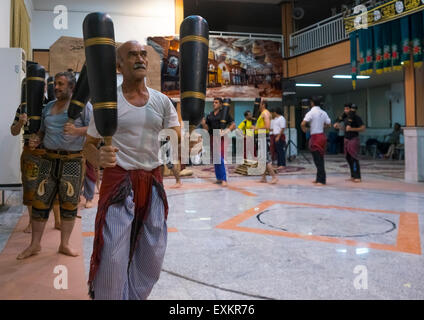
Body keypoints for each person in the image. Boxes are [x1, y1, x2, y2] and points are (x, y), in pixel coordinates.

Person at [83, 40, 180, 300]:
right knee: (113, 257)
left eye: (143, 54)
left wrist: (186, 143)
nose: (140, 58)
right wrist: (98, 156)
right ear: (119, 64)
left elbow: (174, 139)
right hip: (119, 184)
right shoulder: (107, 103)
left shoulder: (161, 102)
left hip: (153, 184)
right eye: (132, 54)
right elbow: (88, 147)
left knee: (152, 255)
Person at [17, 71, 92, 259]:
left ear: (72, 87)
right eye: (55, 84)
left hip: (72, 161)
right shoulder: (49, 106)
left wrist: (76, 131)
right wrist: (36, 138)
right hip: (48, 160)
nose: (56, 87)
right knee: (40, 201)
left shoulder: (83, 107)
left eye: (60, 84)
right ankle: (35, 245)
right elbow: (42, 131)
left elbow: (95, 130)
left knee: (68, 204)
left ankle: (64, 244)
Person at [201, 97, 236, 187]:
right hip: (213, 137)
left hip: (222, 137)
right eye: (213, 102)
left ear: (221, 104)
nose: (214, 104)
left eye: (216, 102)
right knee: (215, 158)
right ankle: (219, 178)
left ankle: (224, 179)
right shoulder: (210, 114)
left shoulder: (224, 114)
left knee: (220, 158)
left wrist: (226, 131)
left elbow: (233, 125)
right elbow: (207, 128)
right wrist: (204, 123)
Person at [301, 97, 331, 185]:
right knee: (320, 158)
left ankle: (321, 180)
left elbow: (303, 123)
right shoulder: (324, 112)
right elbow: (329, 124)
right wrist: (321, 126)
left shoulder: (311, 112)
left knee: (317, 159)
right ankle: (319, 178)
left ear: (312, 103)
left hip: (315, 137)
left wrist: (304, 129)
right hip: (322, 136)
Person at [253, 98, 278, 184]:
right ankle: (263, 178)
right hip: (260, 137)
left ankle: (274, 177)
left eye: (258, 104)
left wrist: (256, 128)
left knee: (265, 159)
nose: (257, 105)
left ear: (263, 104)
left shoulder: (265, 113)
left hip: (263, 137)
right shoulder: (263, 113)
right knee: (262, 159)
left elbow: (267, 126)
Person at [341, 104, 365, 182]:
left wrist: (352, 129)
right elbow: (346, 129)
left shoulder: (356, 117)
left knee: (354, 158)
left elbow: (362, 128)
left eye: (347, 109)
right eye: (345, 109)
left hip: (353, 139)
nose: (345, 110)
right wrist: (339, 127)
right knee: (348, 158)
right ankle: (353, 175)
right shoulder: (346, 118)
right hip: (346, 139)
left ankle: (357, 176)